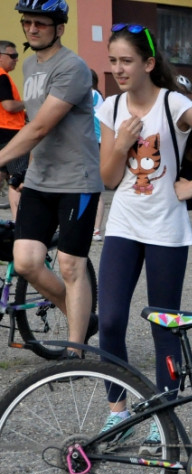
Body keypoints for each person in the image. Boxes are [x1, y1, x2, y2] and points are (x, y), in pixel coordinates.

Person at [96, 23, 192, 447]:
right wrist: (123, 142)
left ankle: (162, 416)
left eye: (127, 61)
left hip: (166, 229)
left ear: (147, 63)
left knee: (164, 325)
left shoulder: (174, 104)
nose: (119, 69)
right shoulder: (109, 108)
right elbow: (109, 178)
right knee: (109, 321)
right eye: (113, 62)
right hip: (124, 225)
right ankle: (117, 412)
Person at [0, 0, 101, 354]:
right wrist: (19, 170)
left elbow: (42, 125)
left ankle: (75, 352)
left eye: (40, 24)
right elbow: (30, 122)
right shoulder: (29, 65)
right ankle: (83, 317)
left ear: (59, 28)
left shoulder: (73, 67)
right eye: (27, 23)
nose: (31, 29)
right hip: (40, 179)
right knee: (26, 260)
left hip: (77, 182)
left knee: (72, 266)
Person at [0, 40, 26, 219]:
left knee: (3, 173)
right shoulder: (2, 76)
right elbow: (9, 105)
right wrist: (30, 103)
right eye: (13, 56)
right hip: (11, 132)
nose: (16, 60)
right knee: (17, 177)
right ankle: (18, 221)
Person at [90, 68, 103, 240]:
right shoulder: (98, 95)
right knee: (95, 187)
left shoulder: (90, 94)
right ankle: (96, 229)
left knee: (92, 186)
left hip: (91, 143)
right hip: (97, 142)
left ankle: (95, 228)